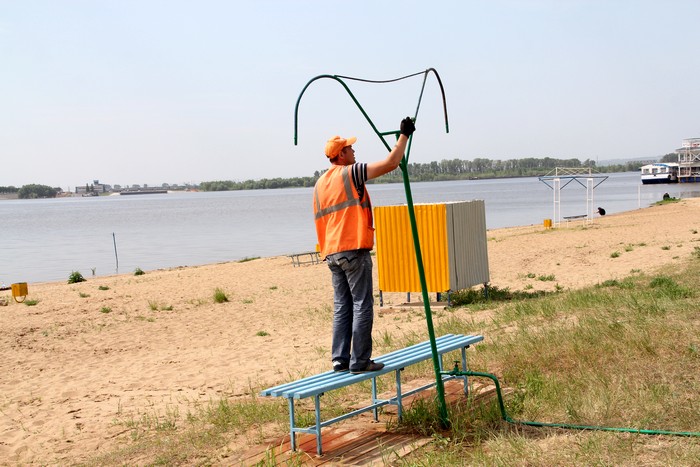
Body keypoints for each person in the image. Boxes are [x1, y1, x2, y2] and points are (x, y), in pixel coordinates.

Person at [313, 117, 416, 374]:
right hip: (353, 249)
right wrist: (404, 135)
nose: (354, 150)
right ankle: (359, 361)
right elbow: (391, 163)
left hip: (332, 253)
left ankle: (339, 360)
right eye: (350, 148)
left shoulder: (319, 183)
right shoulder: (350, 172)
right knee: (362, 304)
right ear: (341, 154)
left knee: (342, 305)